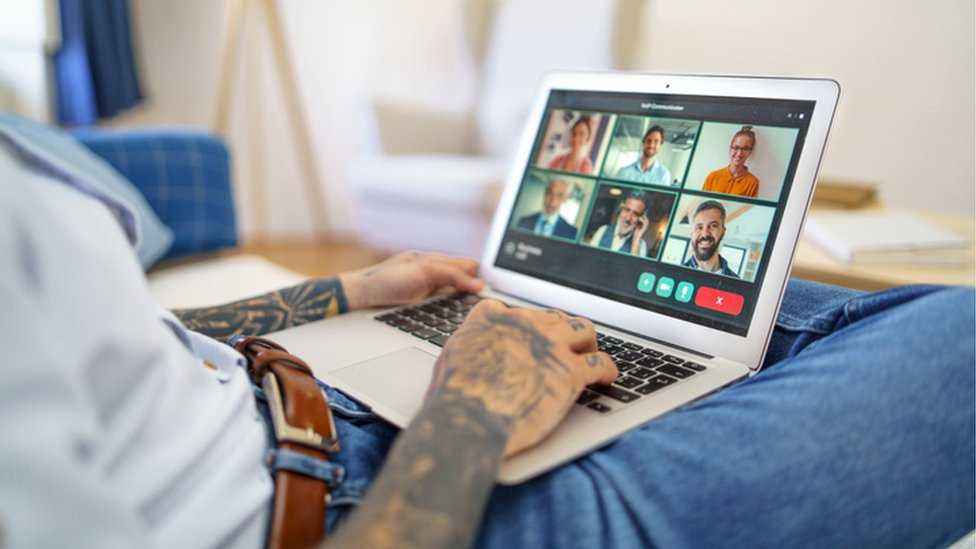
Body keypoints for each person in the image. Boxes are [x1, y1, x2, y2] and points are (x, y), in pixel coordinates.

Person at [2, 131, 974, 549]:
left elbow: (114, 347)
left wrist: (342, 292)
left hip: (295, 400)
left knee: (715, 315)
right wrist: (468, 411)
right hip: (400, 499)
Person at [683, 199, 739, 277]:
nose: (705, 234)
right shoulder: (676, 274)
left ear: (723, 232)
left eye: (713, 226)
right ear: (692, 234)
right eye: (699, 227)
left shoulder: (735, 281)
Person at [587, 190, 650, 256]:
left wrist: (636, 240)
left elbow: (636, 263)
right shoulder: (603, 230)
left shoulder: (641, 245)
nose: (628, 218)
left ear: (641, 218)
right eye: (627, 210)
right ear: (621, 209)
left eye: (635, 214)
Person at [703, 126, 760, 197]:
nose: (739, 153)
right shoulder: (712, 177)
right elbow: (702, 201)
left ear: (750, 152)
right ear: (730, 149)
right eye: (736, 147)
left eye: (745, 149)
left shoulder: (753, 182)